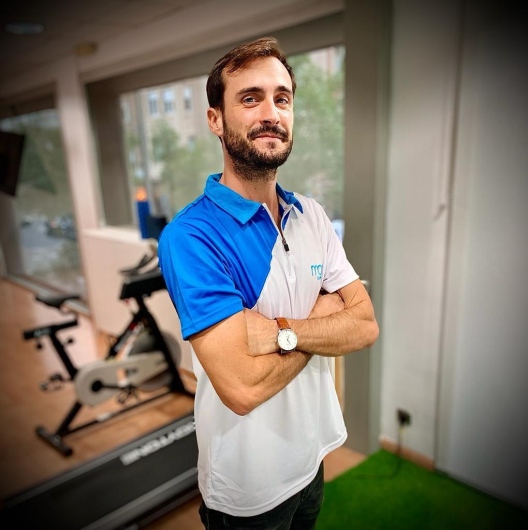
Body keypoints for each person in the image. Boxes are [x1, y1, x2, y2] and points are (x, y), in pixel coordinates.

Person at [158, 37, 379, 530]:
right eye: (250, 98)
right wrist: (323, 318)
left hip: (313, 454)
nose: (271, 113)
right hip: (247, 488)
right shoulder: (191, 237)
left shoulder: (311, 215)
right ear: (215, 119)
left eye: (282, 98)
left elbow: (365, 325)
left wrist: (279, 332)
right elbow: (241, 387)